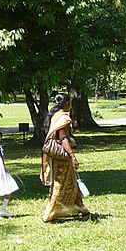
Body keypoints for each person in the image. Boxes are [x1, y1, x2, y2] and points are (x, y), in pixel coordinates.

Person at [42, 93, 92, 222]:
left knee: (72, 182)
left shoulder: (55, 116)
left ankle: (80, 208)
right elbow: (63, 138)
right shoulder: (64, 118)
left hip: (56, 157)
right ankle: (51, 213)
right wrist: (73, 156)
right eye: (69, 102)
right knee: (60, 184)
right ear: (67, 104)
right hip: (62, 157)